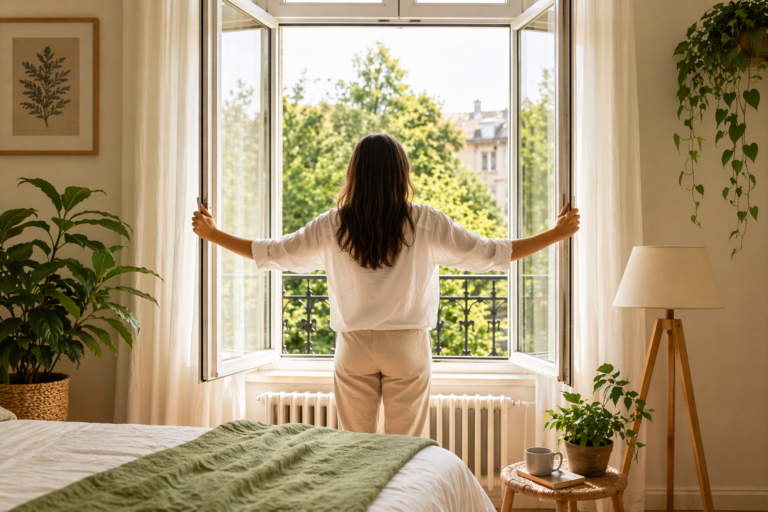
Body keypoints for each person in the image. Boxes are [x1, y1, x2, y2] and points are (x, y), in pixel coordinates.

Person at [192, 133, 579, 437]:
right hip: (407, 346)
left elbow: (273, 253)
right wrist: (556, 233)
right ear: (401, 173)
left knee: (355, 449)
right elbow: (492, 254)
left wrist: (213, 234)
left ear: (354, 174)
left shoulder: (334, 223)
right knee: (405, 449)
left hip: (354, 345)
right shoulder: (425, 220)